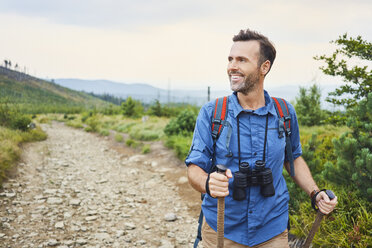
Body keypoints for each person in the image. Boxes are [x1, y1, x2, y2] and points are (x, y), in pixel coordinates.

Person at [185, 29, 338, 248]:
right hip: (222, 227)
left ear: (264, 67)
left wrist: (315, 194)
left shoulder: (284, 112)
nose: (232, 67)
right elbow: (194, 168)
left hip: (272, 228)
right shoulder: (212, 113)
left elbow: (293, 158)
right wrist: (207, 182)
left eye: (242, 60)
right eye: (230, 59)